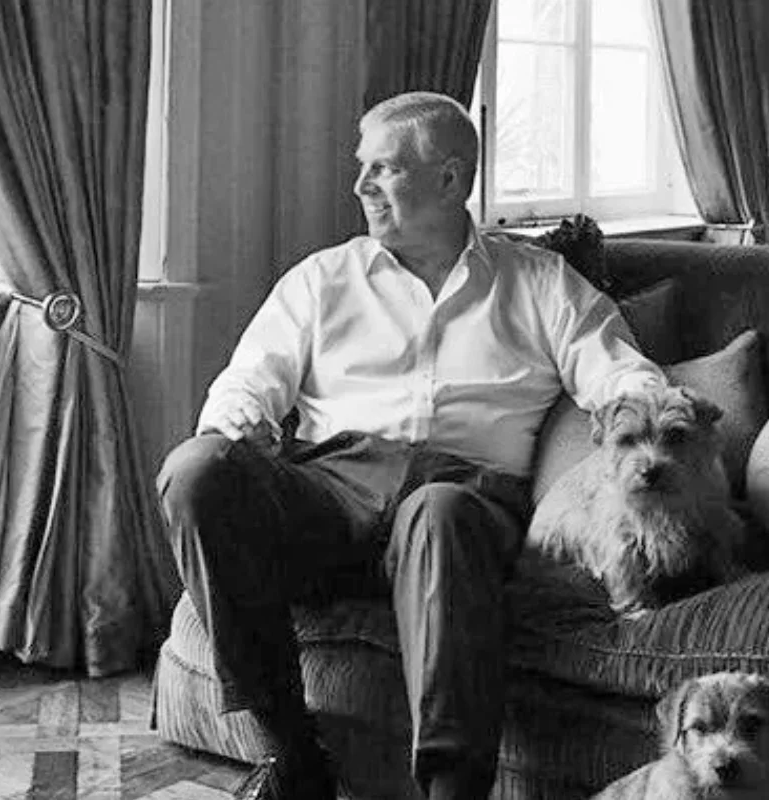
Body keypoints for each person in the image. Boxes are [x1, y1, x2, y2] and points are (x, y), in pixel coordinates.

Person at [156, 91, 666, 800]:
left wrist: (655, 420)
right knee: (196, 470)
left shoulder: (541, 284)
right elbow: (246, 384)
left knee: (438, 509)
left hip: (463, 503)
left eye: (384, 169)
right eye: (362, 167)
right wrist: (236, 440)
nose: (361, 185)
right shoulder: (322, 280)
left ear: (450, 180)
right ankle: (293, 758)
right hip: (330, 492)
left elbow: (621, 376)